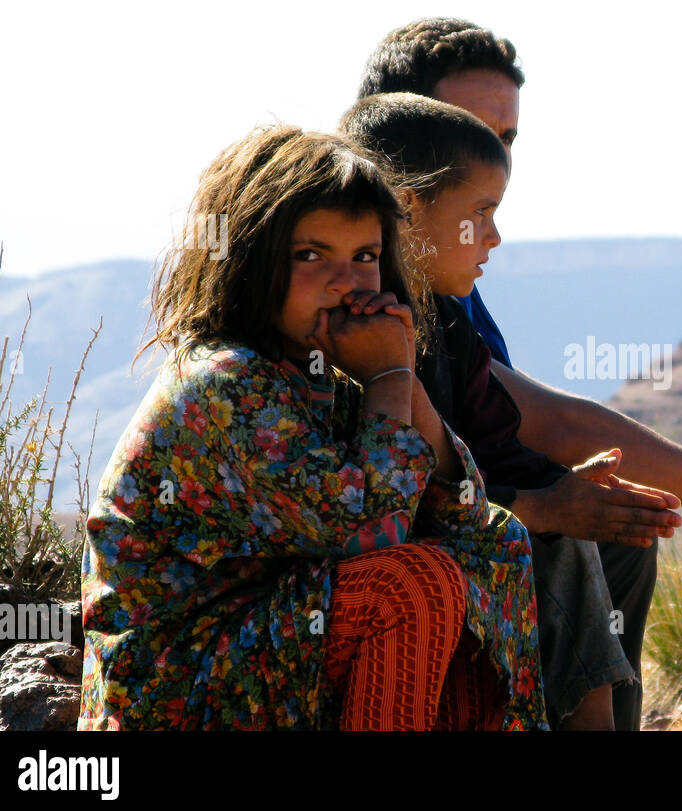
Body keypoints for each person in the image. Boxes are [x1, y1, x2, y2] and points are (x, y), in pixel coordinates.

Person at [358, 19, 682, 730]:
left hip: (468, 512)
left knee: (617, 527)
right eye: (466, 130)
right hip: (402, 546)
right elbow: (552, 427)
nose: (494, 157)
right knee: (570, 537)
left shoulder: (448, 293)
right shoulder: (374, 292)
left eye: (507, 139)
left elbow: (516, 431)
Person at [79, 124, 547, 731]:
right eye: (310, 256)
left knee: (499, 547)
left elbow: (466, 516)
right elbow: (369, 537)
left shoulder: (330, 375)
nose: (346, 283)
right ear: (251, 264)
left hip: (277, 657)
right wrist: (386, 379)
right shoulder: (223, 383)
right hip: (180, 692)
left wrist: (403, 378)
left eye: (366, 258)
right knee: (410, 585)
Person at [339, 92, 681, 729]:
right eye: (480, 214)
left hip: (456, 515)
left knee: (605, 532)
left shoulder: (444, 322)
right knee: (557, 543)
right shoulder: (366, 327)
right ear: (409, 208)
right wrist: (548, 507)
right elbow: (404, 491)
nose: (494, 237)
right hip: (392, 549)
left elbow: (491, 444)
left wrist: (570, 492)